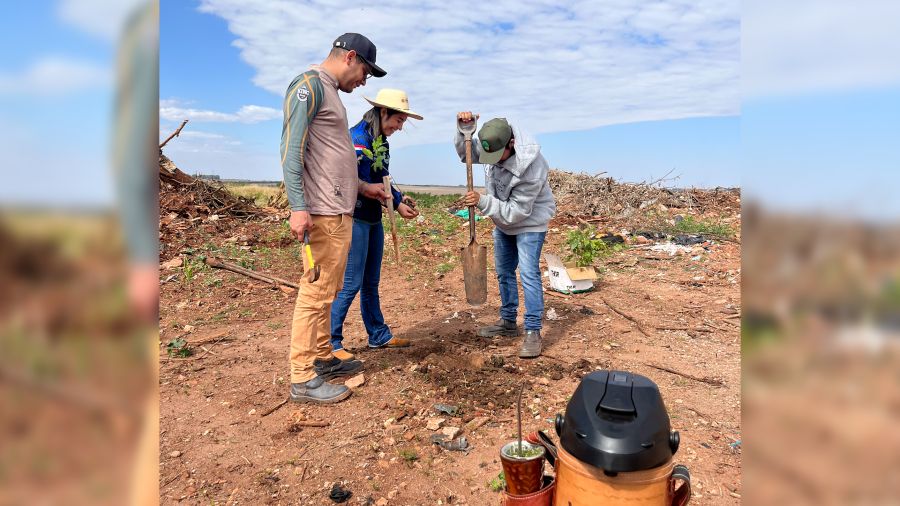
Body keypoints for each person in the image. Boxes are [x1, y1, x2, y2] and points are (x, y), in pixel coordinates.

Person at [280, 33, 389, 404]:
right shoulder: (308, 87)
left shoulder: (329, 94)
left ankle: (324, 357)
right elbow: (292, 151)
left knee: (328, 291)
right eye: (364, 73)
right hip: (321, 212)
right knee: (314, 294)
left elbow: (330, 158)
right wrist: (298, 206)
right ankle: (302, 376)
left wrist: (362, 187)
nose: (363, 82)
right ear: (351, 58)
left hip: (340, 209)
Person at [329, 89, 423, 360]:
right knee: (350, 283)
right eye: (398, 120)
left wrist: (397, 202)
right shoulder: (357, 139)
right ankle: (331, 343)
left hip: (372, 219)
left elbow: (383, 177)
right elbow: (349, 181)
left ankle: (378, 335)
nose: (400, 127)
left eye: (403, 122)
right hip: (355, 217)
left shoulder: (381, 141)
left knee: (371, 281)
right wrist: (374, 193)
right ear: (384, 112)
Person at [455, 112, 556, 358]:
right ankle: (508, 321)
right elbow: (465, 153)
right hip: (503, 222)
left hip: (529, 223)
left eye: (496, 156)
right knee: (504, 271)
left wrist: (483, 202)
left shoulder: (532, 168)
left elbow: (517, 212)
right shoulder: (496, 144)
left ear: (510, 143)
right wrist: (463, 129)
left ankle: (533, 330)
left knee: (529, 274)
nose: (492, 161)